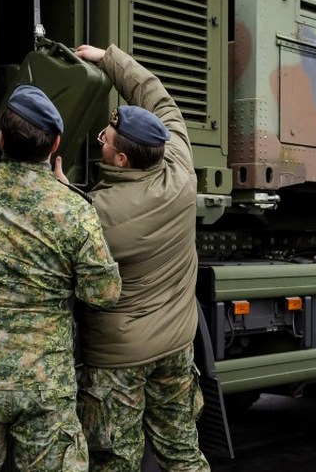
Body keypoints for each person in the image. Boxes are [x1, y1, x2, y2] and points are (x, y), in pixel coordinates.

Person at [0, 85, 122, 471]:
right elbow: (104, 294)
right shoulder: (74, 210)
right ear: (55, 145)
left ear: (0, 138)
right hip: (43, 383)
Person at [73, 44, 210, 472]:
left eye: (105, 139)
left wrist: (61, 188)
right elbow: (156, 96)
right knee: (182, 453)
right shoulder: (181, 170)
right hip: (176, 344)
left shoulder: (97, 212)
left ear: (120, 158)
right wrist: (110, 58)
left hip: (120, 359)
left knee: (116, 461)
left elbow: (66, 231)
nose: (101, 140)